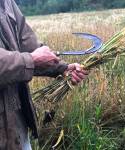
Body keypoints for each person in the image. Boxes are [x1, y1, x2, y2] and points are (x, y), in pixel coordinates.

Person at [0, 0, 88, 149]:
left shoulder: (7, 2)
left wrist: (61, 68)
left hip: (15, 124)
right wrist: (30, 60)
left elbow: (26, 40)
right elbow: (30, 57)